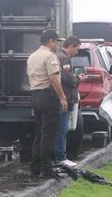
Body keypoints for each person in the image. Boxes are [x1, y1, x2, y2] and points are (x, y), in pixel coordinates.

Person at [27, 29, 68, 178]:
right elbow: (54, 79)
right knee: (49, 133)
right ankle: (46, 168)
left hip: (35, 95)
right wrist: (62, 97)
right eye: (57, 41)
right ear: (51, 41)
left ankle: (35, 167)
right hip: (48, 96)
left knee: (39, 132)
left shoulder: (32, 56)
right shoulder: (50, 56)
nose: (57, 45)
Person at [54, 36, 84, 168]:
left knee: (61, 129)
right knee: (62, 129)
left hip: (62, 98)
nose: (76, 52)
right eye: (76, 49)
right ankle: (60, 157)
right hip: (64, 98)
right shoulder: (64, 58)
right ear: (71, 46)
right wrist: (78, 79)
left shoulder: (60, 56)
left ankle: (59, 156)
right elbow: (67, 78)